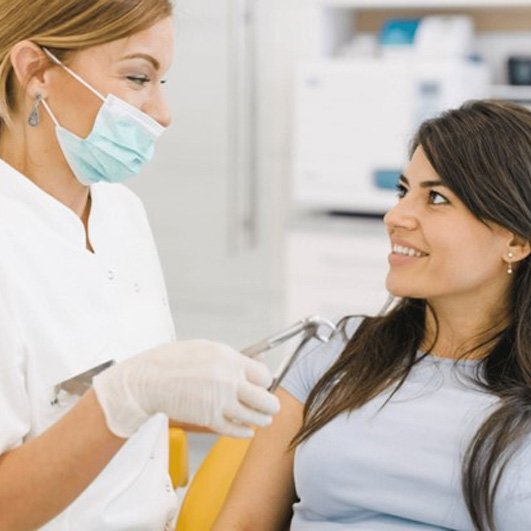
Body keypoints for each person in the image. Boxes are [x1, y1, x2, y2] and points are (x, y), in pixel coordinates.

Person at [0, 1, 280, 529]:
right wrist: (128, 395)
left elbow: (96, 408)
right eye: (137, 77)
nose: (161, 113)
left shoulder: (121, 212)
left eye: (162, 82)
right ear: (36, 71)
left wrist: (203, 389)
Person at [214, 100, 531, 531]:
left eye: (436, 198)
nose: (396, 216)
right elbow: (244, 523)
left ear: (515, 239)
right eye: (404, 192)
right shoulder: (335, 355)